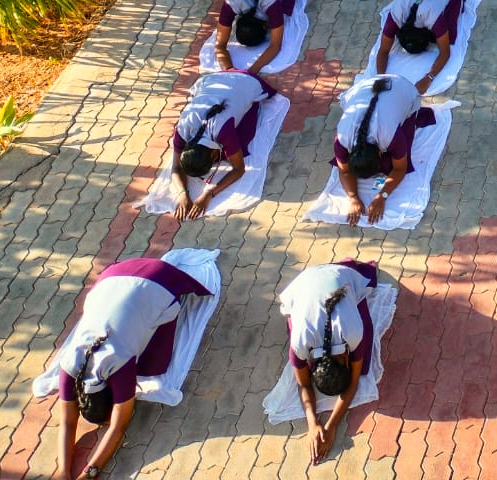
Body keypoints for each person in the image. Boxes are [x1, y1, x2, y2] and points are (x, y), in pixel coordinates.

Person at [52, 257, 215, 480]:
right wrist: (63, 472)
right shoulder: (69, 364)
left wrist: (89, 474)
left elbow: (117, 427)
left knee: (154, 364)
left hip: (159, 277)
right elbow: (68, 422)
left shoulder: (119, 364)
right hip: (110, 277)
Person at [280, 260, 381, 463]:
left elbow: (353, 381)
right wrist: (313, 424)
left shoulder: (352, 332)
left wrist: (332, 425)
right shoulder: (300, 344)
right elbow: (303, 384)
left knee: (363, 366)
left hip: (338, 277)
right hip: (304, 282)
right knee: (361, 362)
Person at [167, 69, 279, 218]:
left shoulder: (222, 130)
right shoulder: (182, 130)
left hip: (245, 79)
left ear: (214, 153)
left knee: (242, 140)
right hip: (212, 79)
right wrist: (182, 194)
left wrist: (209, 194)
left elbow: (239, 169)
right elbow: (176, 167)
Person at [333, 73, 427, 227]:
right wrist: (353, 198)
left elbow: (400, 168)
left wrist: (382, 196)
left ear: (380, 152)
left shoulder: (389, 136)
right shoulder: (342, 139)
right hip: (367, 87)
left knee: (390, 165)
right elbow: (344, 171)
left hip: (401, 86)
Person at [372, 0, 467, 88]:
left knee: (450, 35)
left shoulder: (433, 18)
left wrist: (429, 78)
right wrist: (380, 78)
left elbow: (445, 52)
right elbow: (383, 51)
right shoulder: (395, 17)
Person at [209, 0, 302, 77]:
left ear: (264, 26)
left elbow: (275, 46)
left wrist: (252, 71)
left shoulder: (272, 6)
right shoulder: (231, 3)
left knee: (286, 11)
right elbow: (220, 46)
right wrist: (230, 69)